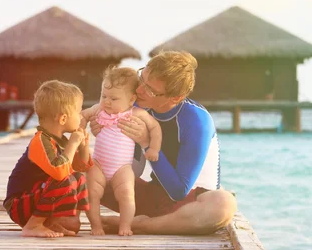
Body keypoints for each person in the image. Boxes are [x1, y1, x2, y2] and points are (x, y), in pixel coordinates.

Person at [94, 51, 237, 235]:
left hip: (189, 204)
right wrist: (100, 127)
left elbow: (179, 191)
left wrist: (147, 142)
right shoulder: (138, 105)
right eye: (141, 78)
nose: (138, 90)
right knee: (79, 174)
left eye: (150, 89)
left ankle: (139, 225)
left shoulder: (195, 121)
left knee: (223, 205)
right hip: (154, 196)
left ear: (175, 98)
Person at [3, 80, 93, 238]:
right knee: (65, 179)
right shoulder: (40, 141)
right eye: (78, 112)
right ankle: (33, 226)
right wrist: (73, 143)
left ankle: (62, 221)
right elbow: (59, 173)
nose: (81, 116)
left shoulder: (61, 141)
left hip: (37, 197)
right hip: (19, 204)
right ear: (63, 119)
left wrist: (83, 145)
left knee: (78, 178)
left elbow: (81, 168)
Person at [80, 66, 161, 236]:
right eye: (104, 96)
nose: (107, 101)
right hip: (99, 163)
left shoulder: (137, 113)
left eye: (114, 98)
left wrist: (153, 148)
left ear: (131, 99)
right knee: (91, 193)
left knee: (126, 195)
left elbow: (155, 127)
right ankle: (96, 226)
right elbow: (82, 115)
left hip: (122, 167)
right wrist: (81, 129)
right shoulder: (98, 109)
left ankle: (125, 226)